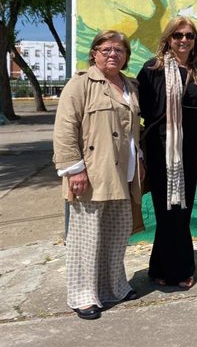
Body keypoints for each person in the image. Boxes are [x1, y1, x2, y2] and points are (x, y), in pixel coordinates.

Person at [53, 30, 143, 320]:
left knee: (116, 235)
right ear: (94, 53)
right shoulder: (80, 85)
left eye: (119, 50)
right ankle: (83, 295)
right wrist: (74, 169)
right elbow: (65, 129)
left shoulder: (130, 85)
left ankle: (114, 287)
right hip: (92, 173)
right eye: (106, 49)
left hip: (124, 173)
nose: (113, 54)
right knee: (87, 236)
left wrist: (139, 158)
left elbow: (132, 129)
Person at [137, 17, 197, 289]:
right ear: (168, 38)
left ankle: (169, 267)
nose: (183, 40)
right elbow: (142, 110)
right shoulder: (152, 70)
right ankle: (173, 269)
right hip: (162, 150)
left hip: (190, 151)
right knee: (166, 210)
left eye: (189, 36)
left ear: (195, 41)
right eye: (178, 35)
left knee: (183, 210)